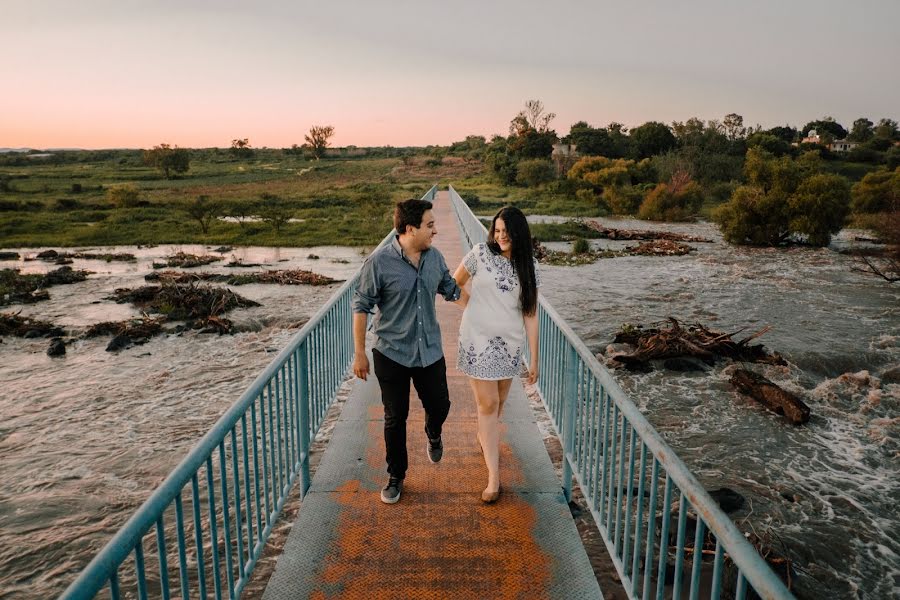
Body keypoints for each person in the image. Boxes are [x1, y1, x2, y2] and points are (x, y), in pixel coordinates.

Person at [352, 198, 467, 504]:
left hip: (428, 349)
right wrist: (359, 353)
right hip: (390, 352)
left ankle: (433, 431)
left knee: (440, 404)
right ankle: (396, 476)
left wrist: (486, 299)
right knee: (395, 417)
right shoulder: (378, 262)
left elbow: (450, 289)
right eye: (430, 225)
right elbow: (361, 306)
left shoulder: (435, 257)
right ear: (409, 228)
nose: (436, 231)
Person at [453, 206, 540, 503]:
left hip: (510, 344)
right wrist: (472, 310)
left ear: (519, 234)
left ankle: (483, 437)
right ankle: (494, 478)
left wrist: (535, 358)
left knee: (497, 405)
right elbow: (455, 283)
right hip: (477, 339)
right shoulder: (480, 254)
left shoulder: (529, 267)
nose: (500, 236)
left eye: (507, 231)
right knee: (488, 405)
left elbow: (530, 313)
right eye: (497, 230)